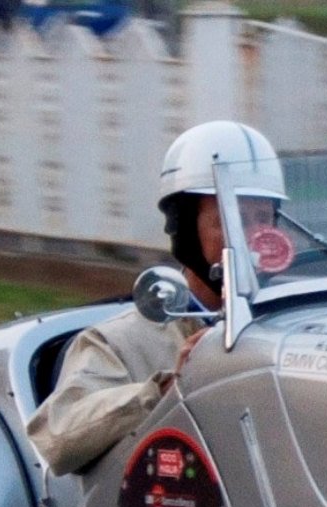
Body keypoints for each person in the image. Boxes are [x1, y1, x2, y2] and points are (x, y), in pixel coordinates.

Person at [27, 121, 287, 476]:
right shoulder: (119, 342)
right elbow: (57, 436)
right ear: (186, 228)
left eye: (264, 219)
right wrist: (168, 388)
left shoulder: (288, 328)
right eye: (233, 219)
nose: (252, 237)